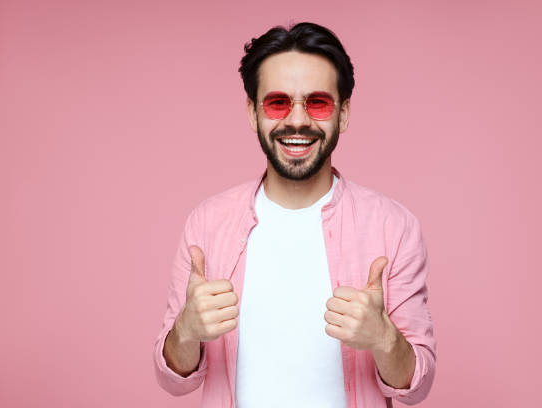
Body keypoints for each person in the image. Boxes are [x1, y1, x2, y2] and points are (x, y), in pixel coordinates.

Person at [153, 22, 436, 408]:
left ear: (344, 113)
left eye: (317, 102)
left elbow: (415, 386)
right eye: (278, 102)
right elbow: (175, 380)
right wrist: (185, 331)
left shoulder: (393, 227)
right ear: (254, 113)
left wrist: (383, 338)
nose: (298, 121)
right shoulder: (206, 224)